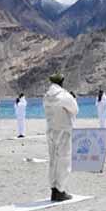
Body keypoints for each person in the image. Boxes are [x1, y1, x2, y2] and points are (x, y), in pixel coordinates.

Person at [43, 73, 79, 202]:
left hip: (51, 131)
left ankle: (53, 189)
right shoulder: (64, 96)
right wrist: (73, 99)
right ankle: (60, 190)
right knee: (63, 160)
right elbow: (75, 110)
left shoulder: (46, 96)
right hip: (63, 131)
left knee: (53, 160)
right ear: (61, 82)